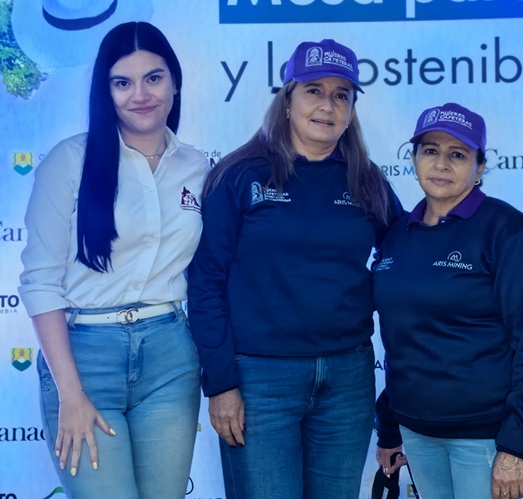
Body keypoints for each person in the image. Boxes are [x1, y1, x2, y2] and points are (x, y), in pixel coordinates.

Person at [187, 39, 403, 498]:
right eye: (313, 91)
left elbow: (407, 260)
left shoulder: (366, 180)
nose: (328, 105)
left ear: (351, 109)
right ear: (287, 100)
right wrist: (221, 382)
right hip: (258, 380)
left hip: (347, 378)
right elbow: (205, 282)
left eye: (341, 95)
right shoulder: (240, 175)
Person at [18, 22, 207, 498]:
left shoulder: (199, 167)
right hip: (84, 357)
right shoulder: (68, 161)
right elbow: (40, 281)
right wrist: (71, 392)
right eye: (122, 82)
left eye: (154, 78)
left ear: (175, 82)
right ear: (106, 91)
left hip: (169, 356)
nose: (140, 94)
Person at [373, 102, 523, 499]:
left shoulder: (507, 233)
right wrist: (389, 426)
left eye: (458, 154)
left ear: (480, 167)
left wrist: (515, 447)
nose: (441, 164)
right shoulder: (398, 234)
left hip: (485, 439)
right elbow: (401, 338)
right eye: (430, 151)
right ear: (414, 159)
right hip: (415, 432)